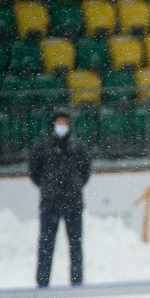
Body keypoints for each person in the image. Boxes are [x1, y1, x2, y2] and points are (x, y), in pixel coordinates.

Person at [29, 106, 91, 288]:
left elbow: (85, 171)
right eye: (58, 122)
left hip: (73, 203)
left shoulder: (78, 148)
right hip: (50, 203)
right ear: (53, 124)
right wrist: (48, 187)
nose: (61, 125)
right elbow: (34, 171)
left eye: (64, 122)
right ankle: (42, 282)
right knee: (46, 245)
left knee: (75, 245)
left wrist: (75, 186)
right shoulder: (43, 148)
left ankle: (77, 281)